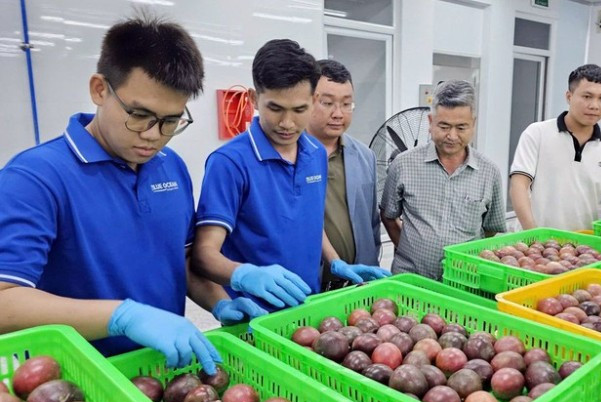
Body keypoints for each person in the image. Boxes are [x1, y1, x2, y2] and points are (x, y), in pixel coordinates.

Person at [0, 15, 266, 374]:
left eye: (171, 121)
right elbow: (5, 301)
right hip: (77, 383)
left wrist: (219, 301)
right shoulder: (35, 178)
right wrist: (121, 316)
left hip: (163, 371)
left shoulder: (170, 167)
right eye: (140, 115)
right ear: (99, 89)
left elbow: (182, 260)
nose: (153, 135)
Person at [193, 39, 345, 310]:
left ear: (313, 101)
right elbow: (204, 254)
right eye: (275, 108)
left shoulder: (316, 154)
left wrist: (334, 260)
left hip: (308, 304)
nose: (287, 123)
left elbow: (309, 220)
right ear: (254, 99)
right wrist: (243, 276)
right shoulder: (229, 163)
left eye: (299, 110)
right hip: (254, 315)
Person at [380, 80, 506, 280]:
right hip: (410, 278)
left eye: (461, 127)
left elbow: (491, 229)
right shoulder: (404, 164)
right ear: (430, 122)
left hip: (464, 281)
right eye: (444, 126)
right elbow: (388, 215)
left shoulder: (489, 173)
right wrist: (410, 251)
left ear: (473, 124)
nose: (452, 136)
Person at [509, 64, 601, 231]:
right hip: (533, 247)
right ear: (569, 96)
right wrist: (533, 235)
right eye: (587, 96)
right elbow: (519, 186)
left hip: (583, 248)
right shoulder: (537, 133)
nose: (595, 105)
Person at [306, 59, 390, 291]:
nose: (338, 113)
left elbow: (372, 222)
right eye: (327, 103)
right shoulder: (292, 155)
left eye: (346, 104)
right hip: (307, 284)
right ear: (308, 101)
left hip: (355, 282)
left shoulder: (365, 156)